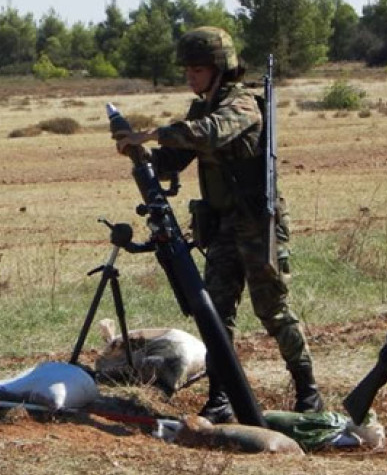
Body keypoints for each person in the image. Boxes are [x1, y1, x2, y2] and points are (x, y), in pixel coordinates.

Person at [115, 26, 323, 422]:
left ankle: (308, 393)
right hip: (223, 226)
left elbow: (209, 135)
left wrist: (157, 131)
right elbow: (170, 164)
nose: (189, 76)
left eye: (197, 68)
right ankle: (220, 396)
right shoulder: (199, 110)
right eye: (187, 69)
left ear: (220, 68)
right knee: (215, 313)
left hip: (257, 223)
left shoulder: (242, 105)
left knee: (273, 311)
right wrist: (136, 151)